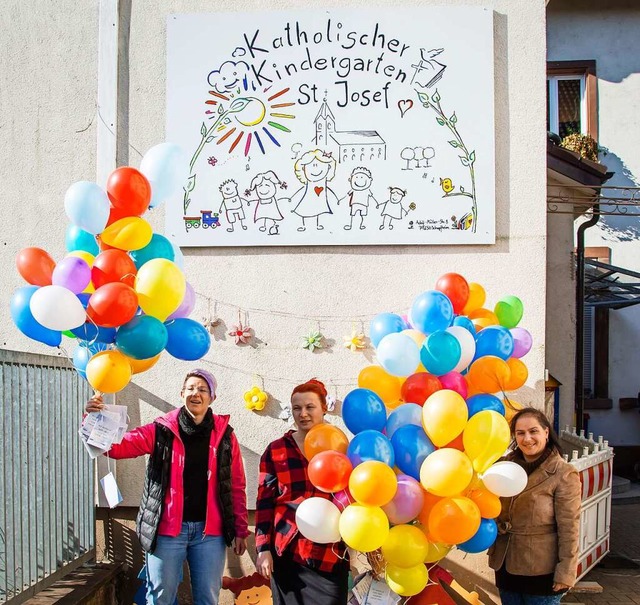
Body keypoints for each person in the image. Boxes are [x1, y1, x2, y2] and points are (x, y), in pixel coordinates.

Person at [86, 369, 249, 605]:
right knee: (159, 599)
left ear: (212, 398)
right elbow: (117, 448)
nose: (196, 393)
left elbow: (236, 484)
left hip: (210, 534)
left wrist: (241, 528)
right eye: (191, 388)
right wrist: (93, 418)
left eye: (203, 389)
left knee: (207, 599)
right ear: (181, 393)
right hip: (167, 532)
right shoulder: (162, 430)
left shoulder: (225, 435)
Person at [255, 379, 349, 605]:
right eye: (297, 408)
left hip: (329, 555)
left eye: (310, 407)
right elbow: (264, 503)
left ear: (324, 408)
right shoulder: (277, 450)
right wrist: (262, 549)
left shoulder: (341, 448)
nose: (303, 414)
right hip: (287, 554)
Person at [488, 407, 581, 605]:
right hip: (506, 565)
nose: (527, 439)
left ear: (546, 432)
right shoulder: (503, 466)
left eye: (533, 431)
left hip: (542, 570)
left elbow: (569, 526)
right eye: (520, 433)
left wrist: (566, 570)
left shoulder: (563, 473)